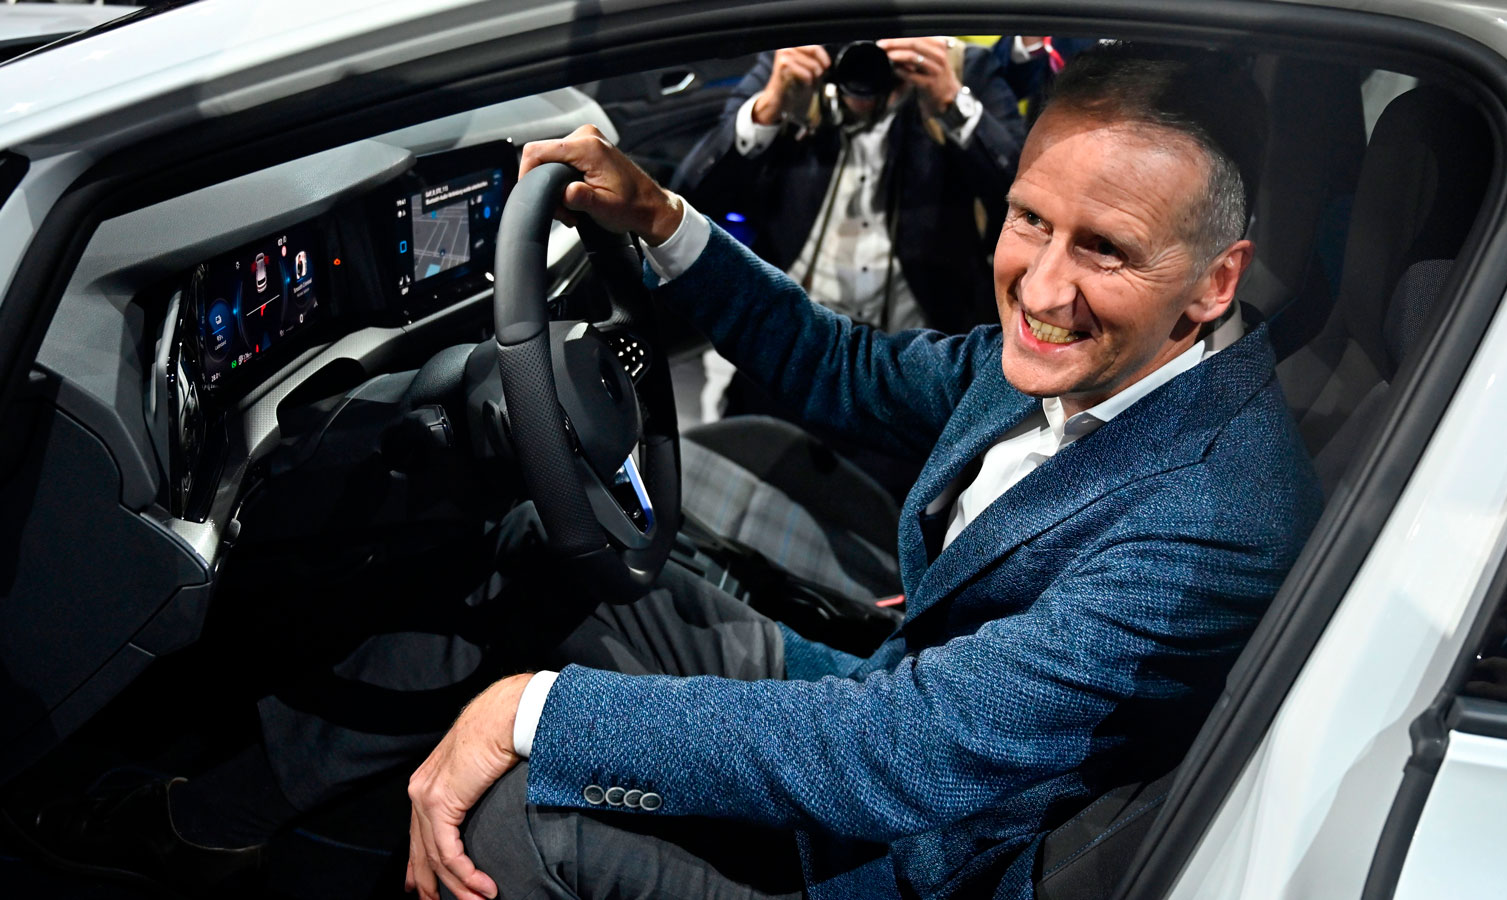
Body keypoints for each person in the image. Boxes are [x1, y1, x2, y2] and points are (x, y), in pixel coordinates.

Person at [405, 46, 1322, 900]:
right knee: (546, 562)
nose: (1041, 291)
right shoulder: (1099, 360)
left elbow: (907, 752)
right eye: (1031, 218)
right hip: (888, 702)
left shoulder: (1216, 509)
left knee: (507, 830)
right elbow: (842, 368)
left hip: (927, 854)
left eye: (1105, 250)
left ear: (1214, 281)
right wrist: (658, 216)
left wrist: (534, 713)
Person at [673, 39, 1024, 432]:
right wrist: (769, 107)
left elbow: (1023, 205)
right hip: (793, 338)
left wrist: (950, 105)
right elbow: (693, 194)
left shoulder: (962, 69)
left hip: (910, 361)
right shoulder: (792, 60)